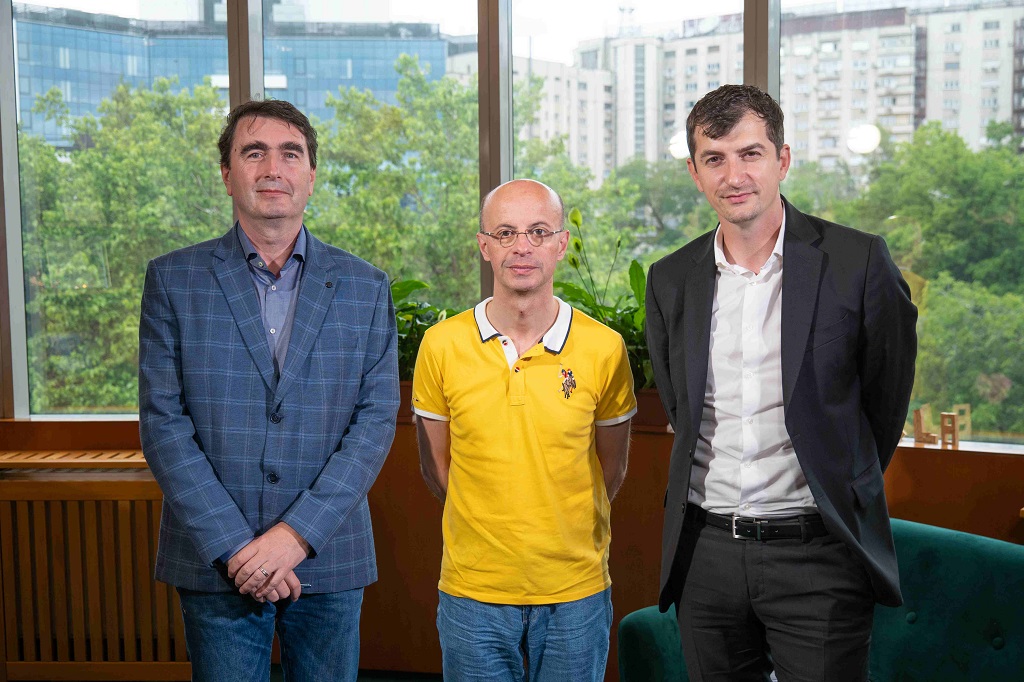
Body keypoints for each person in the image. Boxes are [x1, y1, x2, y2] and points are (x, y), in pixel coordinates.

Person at [645, 85, 917, 682]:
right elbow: (681, 407)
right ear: (695, 173)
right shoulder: (670, 279)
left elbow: (885, 403)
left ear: (783, 159)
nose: (734, 175)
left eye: (751, 154)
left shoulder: (858, 262)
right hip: (705, 555)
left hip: (819, 554)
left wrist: (838, 476)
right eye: (715, 159)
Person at [139, 99, 399, 682]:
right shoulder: (173, 280)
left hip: (327, 552)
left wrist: (295, 537)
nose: (273, 169)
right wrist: (237, 547)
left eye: (290, 154)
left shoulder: (365, 286)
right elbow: (162, 424)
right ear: (227, 174)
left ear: (312, 174)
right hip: (217, 559)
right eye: (253, 153)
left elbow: (375, 421)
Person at [413, 179, 636, 680]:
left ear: (561, 243)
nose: (522, 247)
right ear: (484, 246)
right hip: (472, 592)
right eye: (506, 232)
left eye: (538, 231)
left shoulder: (605, 348)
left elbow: (612, 468)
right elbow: (436, 469)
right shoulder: (440, 345)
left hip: (576, 592)